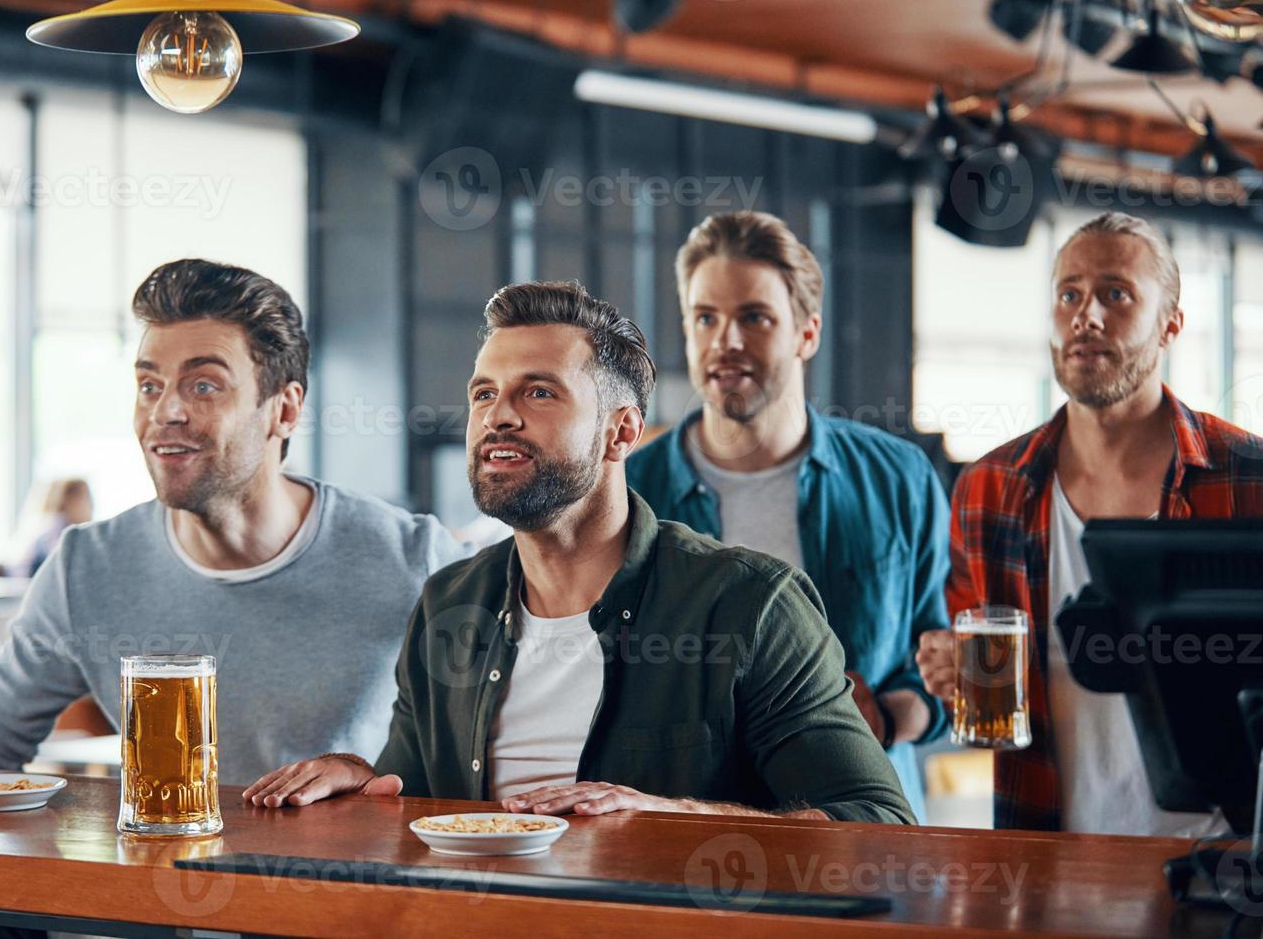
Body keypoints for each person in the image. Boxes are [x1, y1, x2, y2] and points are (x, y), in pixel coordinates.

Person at [243, 281, 915, 824]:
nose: (498, 415)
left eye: (538, 391)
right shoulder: (450, 605)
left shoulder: (749, 604)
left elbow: (877, 824)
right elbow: (415, 802)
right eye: (484, 393)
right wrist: (361, 784)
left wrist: (673, 817)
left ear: (619, 431)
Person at [0, 259, 471, 784]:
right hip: (160, 899)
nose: (164, 412)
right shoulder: (89, 569)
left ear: (283, 410)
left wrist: (373, 776)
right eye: (149, 386)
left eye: (203, 386)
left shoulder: (412, 559)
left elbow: (479, 761)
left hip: (350, 907)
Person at [917, 212, 1263, 834]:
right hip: (1047, 851)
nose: (1087, 316)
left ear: (1171, 324)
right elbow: (981, 701)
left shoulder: (1250, 479)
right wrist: (951, 677)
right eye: (1069, 294)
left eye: (1116, 294)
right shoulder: (989, 489)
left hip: (1224, 861)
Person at [625, 211, 949, 821]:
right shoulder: (631, 489)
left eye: (754, 317)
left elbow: (943, 660)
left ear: (807, 332)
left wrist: (887, 713)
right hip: (685, 831)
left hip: (863, 829)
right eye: (706, 318)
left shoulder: (898, 478)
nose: (726, 340)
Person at [5, 477, 93, 577]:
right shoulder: (55, 525)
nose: (91, 505)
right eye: (85, 498)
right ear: (67, 500)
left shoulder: (43, 522)